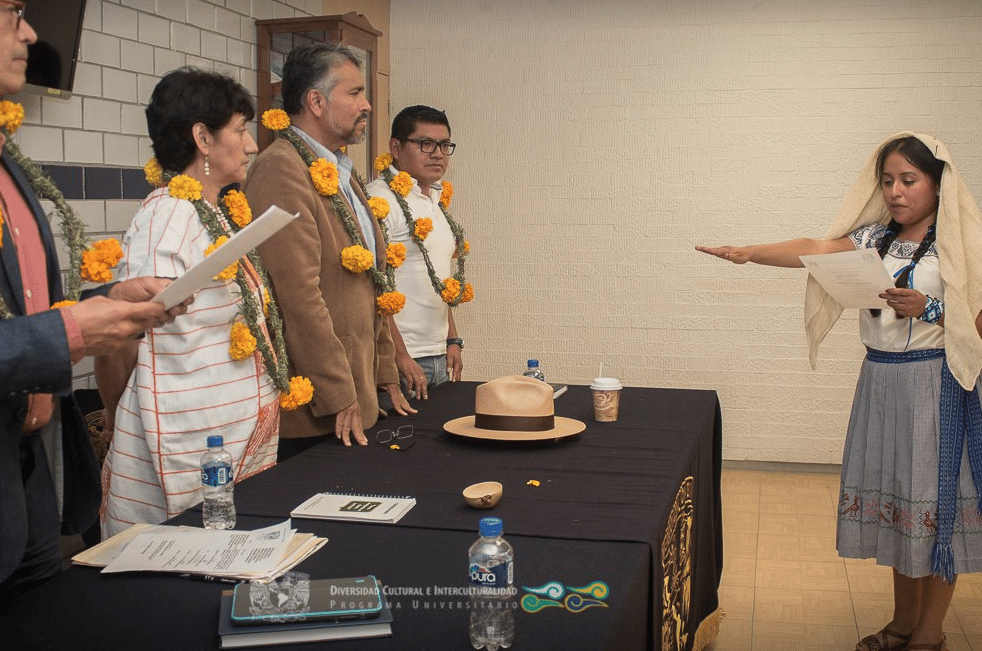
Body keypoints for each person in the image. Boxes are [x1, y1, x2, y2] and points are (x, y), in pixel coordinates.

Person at [697, 133, 982, 651]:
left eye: (909, 180)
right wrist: (749, 253)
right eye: (888, 180)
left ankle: (929, 634)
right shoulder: (876, 237)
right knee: (901, 504)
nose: (896, 191)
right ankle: (901, 624)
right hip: (881, 382)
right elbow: (815, 250)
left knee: (937, 511)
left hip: (937, 385)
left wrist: (932, 309)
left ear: (938, 184)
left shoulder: (965, 242)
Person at [0, 5, 183, 598]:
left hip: (32, 471)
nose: (29, 33)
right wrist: (70, 333)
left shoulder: (8, 161)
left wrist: (108, 297)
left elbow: (18, 307)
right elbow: (45, 331)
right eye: (10, 15)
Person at [99, 68, 292, 538]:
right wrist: (113, 411)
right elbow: (122, 334)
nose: (251, 146)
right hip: (188, 443)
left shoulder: (215, 212)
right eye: (241, 131)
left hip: (233, 432)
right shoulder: (167, 215)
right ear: (203, 138)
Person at [244, 42, 414, 458]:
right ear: (316, 102)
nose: (368, 105)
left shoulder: (340, 170)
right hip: (319, 414)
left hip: (357, 399)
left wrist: (384, 371)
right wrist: (339, 392)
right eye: (355, 93)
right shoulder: (281, 169)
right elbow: (297, 297)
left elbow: (372, 285)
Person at [366, 105, 468, 401]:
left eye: (444, 145)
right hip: (400, 361)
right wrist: (398, 356)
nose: (437, 153)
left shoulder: (433, 197)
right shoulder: (380, 200)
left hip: (439, 354)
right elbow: (373, 287)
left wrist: (453, 339)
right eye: (425, 144)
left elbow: (437, 277)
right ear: (395, 148)